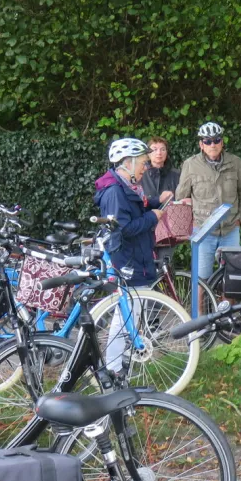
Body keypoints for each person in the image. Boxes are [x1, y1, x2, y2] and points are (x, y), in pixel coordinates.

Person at [94, 138, 163, 372]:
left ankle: (122, 362)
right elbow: (124, 229)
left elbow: (136, 206)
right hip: (127, 259)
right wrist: (153, 217)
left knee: (132, 313)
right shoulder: (114, 191)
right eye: (143, 163)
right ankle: (114, 367)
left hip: (136, 256)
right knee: (124, 316)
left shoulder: (127, 186)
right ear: (128, 163)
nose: (146, 167)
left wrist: (156, 202)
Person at [175, 122, 241, 280]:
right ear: (201, 144)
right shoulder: (190, 165)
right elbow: (181, 197)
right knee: (201, 278)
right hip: (203, 231)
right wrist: (192, 222)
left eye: (216, 140)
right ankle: (201, 306)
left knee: (232, 277)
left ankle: (227, 306)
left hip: (230, 229)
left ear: (222, 142)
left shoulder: (235, 162)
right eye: (208, 141)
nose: (213, 144)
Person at [142, 136, 180, 269]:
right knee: (145, 268)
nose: (159, 153)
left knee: (166, 268)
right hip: (144, 229)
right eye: (154, 149)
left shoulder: (176, 175)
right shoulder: (140, 174)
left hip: (168, 232)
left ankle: (166, 291)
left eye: (162, 149)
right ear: (148, 153)